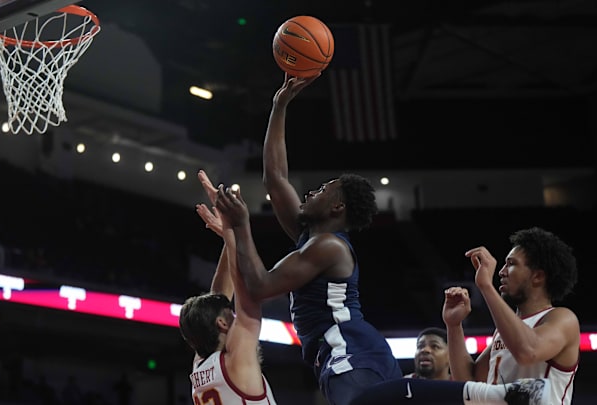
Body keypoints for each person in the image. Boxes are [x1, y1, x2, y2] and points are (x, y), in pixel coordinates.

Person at [213, 73, 552, 405]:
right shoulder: (310, 236)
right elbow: (275, 177)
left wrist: (240, 226)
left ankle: (503, 396)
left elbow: (258, 286)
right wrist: (280, 104)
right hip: (347, 356)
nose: (312, 191)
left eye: (324, 189)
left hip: (351, 353)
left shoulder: (327, 247)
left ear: (337, 206)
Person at [443, 227, 580, 404]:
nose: (501, 272)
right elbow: (469, 382)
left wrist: (486, 287)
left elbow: (528, 351)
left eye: (511, 264)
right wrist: (454, 326)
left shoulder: (562, 319)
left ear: (537, 276)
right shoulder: (505, 331)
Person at [178, 170, 277, 405]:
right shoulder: (237, 361)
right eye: (230, 313)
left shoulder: (201, 366)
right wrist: (235, 229)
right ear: (221, 323)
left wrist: (228, 239)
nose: (234, 312)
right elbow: (247, 295)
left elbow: (219, 297)